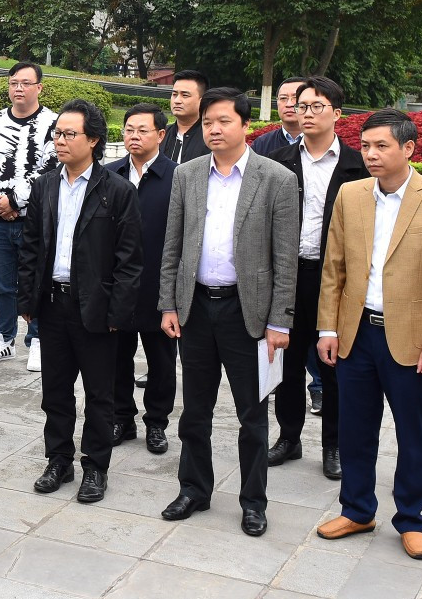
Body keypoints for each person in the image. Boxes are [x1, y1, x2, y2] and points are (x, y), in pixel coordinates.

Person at [313, 110, 422, 560]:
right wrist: (328, 327)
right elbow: (334, 267)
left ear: (409, 149)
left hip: (413, 338)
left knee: (413, 433)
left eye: (382, 146)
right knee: (355, 429)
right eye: (366, 146)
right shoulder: (351, 194)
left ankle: (412, 519)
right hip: (356, 333)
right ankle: (358, 508)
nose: (372, 154)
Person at [159, 88, 299, 537]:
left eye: (223, 121)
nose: (214, 129)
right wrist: (168, 303)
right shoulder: (187, 174)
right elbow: (173, 245)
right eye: (208, 123)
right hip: (196, 306)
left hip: (248, 312)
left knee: (252, 415)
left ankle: (253, 501)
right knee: (194, 410)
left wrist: (280, 320)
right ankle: (194, 489)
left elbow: (285, 258)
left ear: (245, 126)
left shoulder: (274, 178)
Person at [16, 100, 144, 505]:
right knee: (55, 390)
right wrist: (27, 299)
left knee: (100, 394)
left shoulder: (118, 191)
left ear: (93, 139)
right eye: (57, 133)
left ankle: (95, 467)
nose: (60, 141)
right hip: (53, 304)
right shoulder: (46, 185)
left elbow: (130, 260)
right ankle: (59, 460)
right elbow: (31, 245)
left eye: (69, 134)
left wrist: (117, 313)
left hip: (97, 309)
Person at [266, 76, 367, 480]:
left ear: (337, 114)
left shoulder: (357, 165)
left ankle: (334, 445)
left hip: (334, 279)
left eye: (316, 106)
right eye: (300, 105)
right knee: (287, 363)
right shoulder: (279, 161)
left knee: (333, 364)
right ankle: (289, 437)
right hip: (288, 275)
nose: (305, 113)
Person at [0, 61, 57, 373]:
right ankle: (4, 338)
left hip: (34, 218)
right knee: (3, 285)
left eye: (25, 83)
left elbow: (50, 167)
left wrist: (14, 200)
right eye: (13, 83)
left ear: (39, 87)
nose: (18, 88)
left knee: (35, 281)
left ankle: (36, 339)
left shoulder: (52, 123)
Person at [110, 104, 178, 454]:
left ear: (161, 135)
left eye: (142, 130)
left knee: (162, 362)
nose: (133, 136)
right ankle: (123, 417)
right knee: (117, 357)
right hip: (118, 285)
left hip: (158, 285)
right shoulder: (108, 173)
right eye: (129, 130)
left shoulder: (177, 177)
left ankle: (157, 423)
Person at [249, 78, 309, 157]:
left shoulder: (322, 142)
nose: (289, 104)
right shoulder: (262, 144)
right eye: (283, 98)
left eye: (296, 98)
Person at [163, 71, 211, 165]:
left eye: (185, 95)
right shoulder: (161, 134)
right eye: (174, 94)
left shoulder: (211, 136)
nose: (177, 101)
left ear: (202, 100)